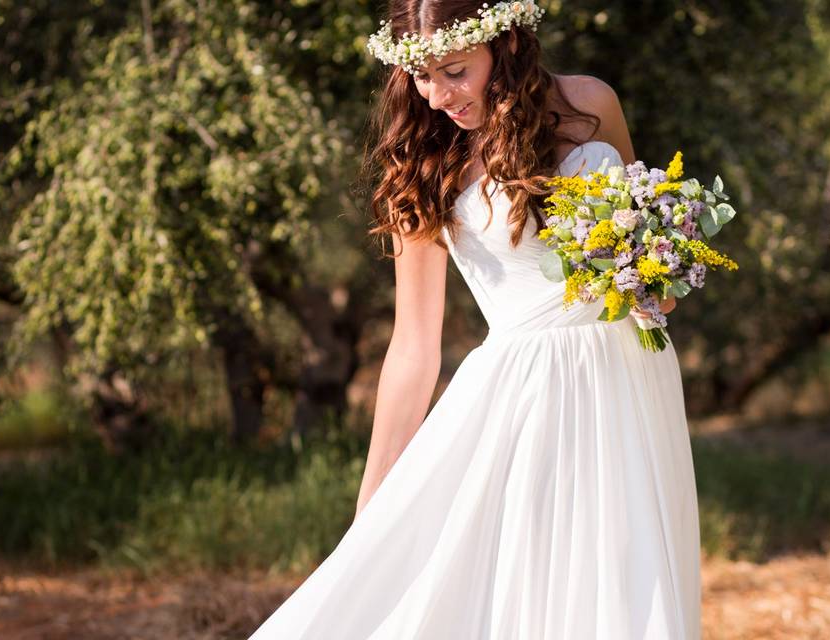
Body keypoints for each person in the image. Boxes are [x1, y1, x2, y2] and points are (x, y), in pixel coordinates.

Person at [249, 1, 700, 638]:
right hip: (529, 394)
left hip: (633, 372)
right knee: (527, 586)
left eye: (454, 71)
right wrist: (371, 505)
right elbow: (412, 346)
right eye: (422, 78)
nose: (437, 96)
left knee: (629, 580)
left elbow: (643, 243)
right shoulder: (424, 164)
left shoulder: (593, 104)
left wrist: (659, 271)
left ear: (505, 45)